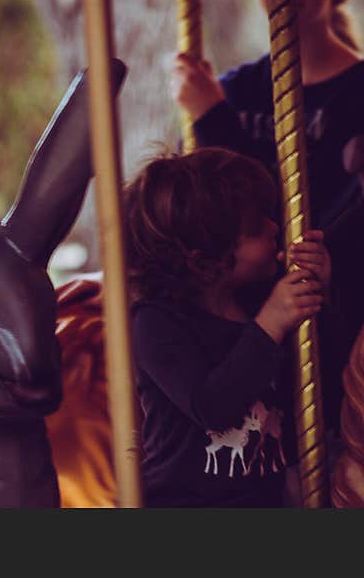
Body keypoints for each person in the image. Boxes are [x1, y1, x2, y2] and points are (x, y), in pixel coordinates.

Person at [171, 0, 363, 438]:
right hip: (249, 311)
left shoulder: (357, 92)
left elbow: (310, 216)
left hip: (338, 304)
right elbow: (214, 213)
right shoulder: (232, 92)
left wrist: (213, 120)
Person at [124, 147, 331, 507]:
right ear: (205, 257)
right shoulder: (155, 324)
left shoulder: (259, 300)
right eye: (255, 227)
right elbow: (211, 407)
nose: (273, 227)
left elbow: (323, 374)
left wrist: (320, 293)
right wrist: (270, 324)